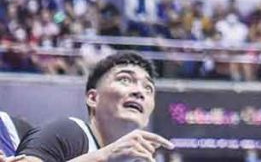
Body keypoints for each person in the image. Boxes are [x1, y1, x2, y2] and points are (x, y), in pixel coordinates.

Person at [16, 51, 173, 162]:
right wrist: (104, 156)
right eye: (124, 80)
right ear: (93, 98)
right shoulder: (68, 132)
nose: (140, 92)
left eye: (148, 88)